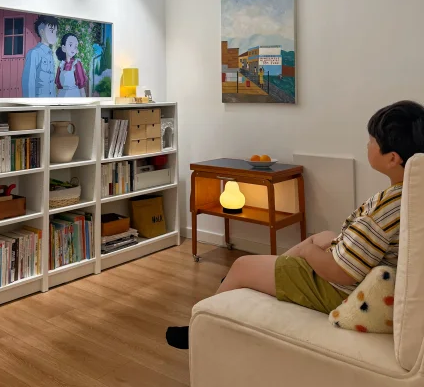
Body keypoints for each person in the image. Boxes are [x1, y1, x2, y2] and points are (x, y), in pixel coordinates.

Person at [166, 100, 424, 350]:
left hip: (340, 287)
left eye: (372, 141)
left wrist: (308, 252)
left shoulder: (383, 213)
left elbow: (342, 273)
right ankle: (265, 274)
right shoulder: (409, 193)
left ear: (392, 158)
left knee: (242, 264)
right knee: (321, 236)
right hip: (358, 270)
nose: (367, 144)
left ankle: (199, 330)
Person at [21, 15, 58, 98]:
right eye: (51, 31)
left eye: (56, 32)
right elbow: (28, 83)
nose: (54, 35)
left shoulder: (50, 55)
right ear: (42, 32)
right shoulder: (34, 53)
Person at [55, 32, 87, 98]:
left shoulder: (76, 64)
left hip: (74, 96)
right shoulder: (61, 65)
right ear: (63, 48)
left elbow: (81, 89)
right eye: (70, 45)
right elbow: (59, 87)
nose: (73, 48)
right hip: (62, 96)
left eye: (75, 46)